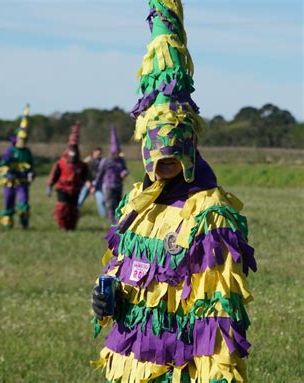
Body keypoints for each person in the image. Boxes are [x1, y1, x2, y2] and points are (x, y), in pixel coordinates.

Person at [90, 1, 257, 382]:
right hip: (129, 363)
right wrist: (105, 302)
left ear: (191, 145)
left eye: (174, 146)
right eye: (156, 146)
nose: (164, 157)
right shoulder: (135, 205)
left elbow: (219, 314)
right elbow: (126, 277)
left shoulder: (210, 213)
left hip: (177, 369)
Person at [0, 104, 34, 229]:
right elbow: (3, 164)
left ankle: (24, 221)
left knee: (23, 202)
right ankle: (8, 221)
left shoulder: (27, 152)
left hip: (22, 182)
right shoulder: (10, 151)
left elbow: (31, 166)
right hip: (10, 181)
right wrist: (7, 172)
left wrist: (31, 173)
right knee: (9, 201)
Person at [47, 121, 88, 230]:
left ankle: (71, 226)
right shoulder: (61, 163)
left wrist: (89, 184)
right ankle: (62, 225)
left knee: (73, 208)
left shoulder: (81, 165)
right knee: (62, 207)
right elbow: (54, 175)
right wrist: (49, 185)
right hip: (63, 188)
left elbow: (86, 177)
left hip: (75, 189)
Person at [93, 125, 129, 223]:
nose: (117, 155)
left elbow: (126, 170)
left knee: (118, 204)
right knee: (110, 204)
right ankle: (112, 221)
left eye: (118, 152)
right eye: (115, 153)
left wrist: (124, 172)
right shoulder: (105, 161)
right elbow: (100, 174)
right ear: (112, 152)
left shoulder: (121, 161)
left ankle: (118, 221)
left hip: (118, 185)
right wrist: (95, 186)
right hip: (108, 186)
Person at [77, 147, 106, 217]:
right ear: (93, 152)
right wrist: (87, 182)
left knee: (101, 201)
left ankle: (103, 217)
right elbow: (82, 172)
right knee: (80, 200)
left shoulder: (102, 162)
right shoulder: (88, 161)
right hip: (87, 184)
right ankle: (75, 214)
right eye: (97, 153)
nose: (98, 155)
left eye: (99, 154)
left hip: (97, 185)